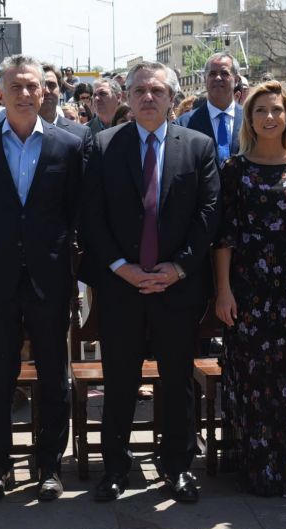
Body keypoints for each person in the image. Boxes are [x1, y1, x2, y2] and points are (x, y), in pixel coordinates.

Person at [79, 61, 220, 504]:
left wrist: (178, 268)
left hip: (177, 287)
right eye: (138, 90)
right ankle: (116, 468)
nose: (147, 98)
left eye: (156, 91)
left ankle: (177, 466)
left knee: (177, 378)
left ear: (172, 99)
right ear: (127, 96)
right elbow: (91, 216)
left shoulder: (198, 147)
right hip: (122, 284)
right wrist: (122, 267)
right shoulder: (103, 146)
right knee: (120, 379)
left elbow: (209, 215)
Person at [0, 55, 84, 503]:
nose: (26, 94)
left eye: (33, 86)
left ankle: (49, 465)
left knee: (54, 375)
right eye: (16, 87)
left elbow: (73, 213)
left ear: (44, 91)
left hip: (49, 279)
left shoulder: (67, 147)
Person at [214, 81, 286, 497]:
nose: (269, 117)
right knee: (254, 378)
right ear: (249, 118)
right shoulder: (234, 169)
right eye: (260, 110)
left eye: (276, 110)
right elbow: (225, 235)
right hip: (249, 287)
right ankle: (259, 468)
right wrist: (223, 290)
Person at [177, 52, 243, 166]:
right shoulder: (183, 124)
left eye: (224, 73)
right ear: (204, 79)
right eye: (212, 74)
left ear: (236, 79)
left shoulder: (251, 118)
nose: (218, 78)